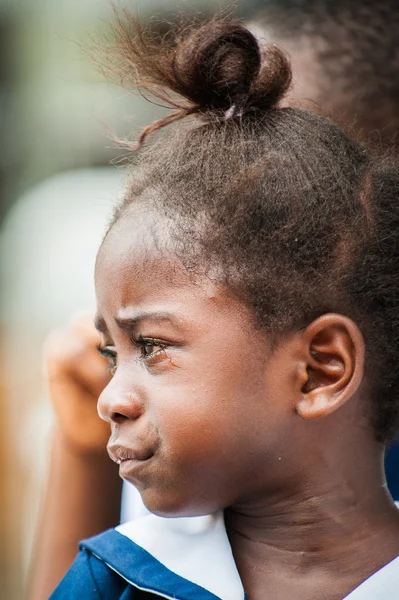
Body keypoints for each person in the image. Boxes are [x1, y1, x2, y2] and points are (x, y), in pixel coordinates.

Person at [47, 13, 399, 600]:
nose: (109, 399)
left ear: (320, 369)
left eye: (152, 347)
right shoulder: (121, 577)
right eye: (114, 353)